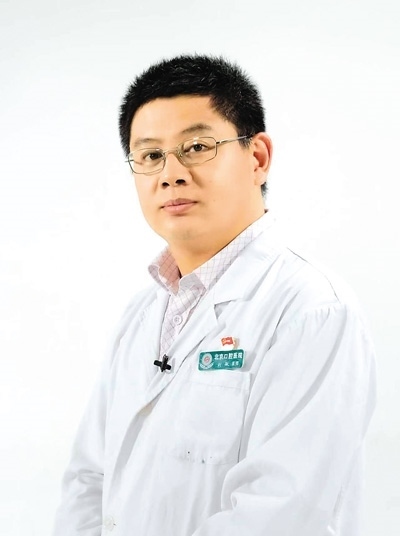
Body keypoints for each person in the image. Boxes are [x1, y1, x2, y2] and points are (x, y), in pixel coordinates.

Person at [52, 54, 376, 536]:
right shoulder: (142, 314)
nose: (171, 174)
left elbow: (279, 513)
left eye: (197, 146)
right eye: (150, 156)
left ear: (257, 158)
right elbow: (90, 480)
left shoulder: (312, 309)